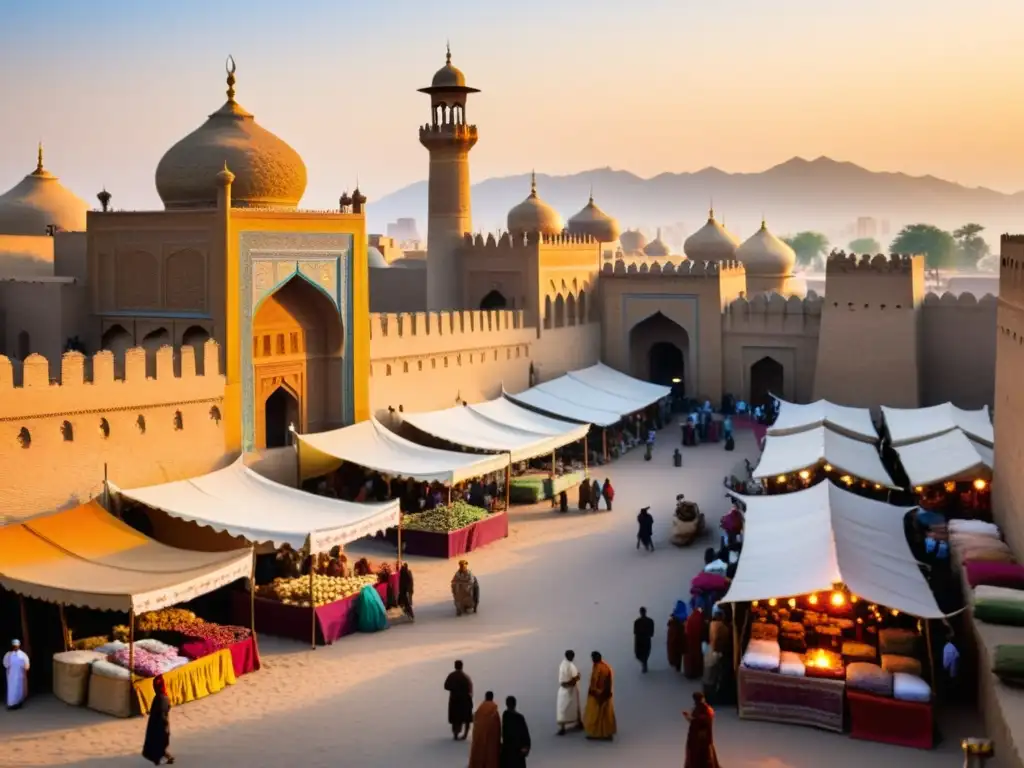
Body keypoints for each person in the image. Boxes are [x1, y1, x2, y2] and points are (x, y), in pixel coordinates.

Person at [583, 651, 617, 741]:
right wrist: (607, 693)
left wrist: (594, 692)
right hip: (606, 694)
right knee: (606, 715)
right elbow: (609, 681)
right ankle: (607, 733)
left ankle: (595, 734)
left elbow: (594, 682)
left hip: (596, 695)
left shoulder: (597, 668)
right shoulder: (607, 667)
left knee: (595, 715)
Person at [683, 691, 721, 768]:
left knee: (703, 757)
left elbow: (703, 720)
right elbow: (696, 720)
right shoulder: (698, 708)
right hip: (696, 738)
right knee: (697, 756)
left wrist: (692, 719)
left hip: (702, 739)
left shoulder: (706, 709)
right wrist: (690, 718)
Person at [141, 674, 173, 765]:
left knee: (158, 742)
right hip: (160, 725)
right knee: (160, 742)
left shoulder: (158, 697)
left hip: (157, 724)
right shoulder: (162, 697)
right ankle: (162, 758)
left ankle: (162, 757)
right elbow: (165, 711)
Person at [469, 691, 501, 768]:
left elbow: (475, 719)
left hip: (479, 735)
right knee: (489, 754)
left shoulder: (480, 708)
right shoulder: (493, 710)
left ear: (485, 697)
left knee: (479, 752)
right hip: (490, 737)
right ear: (492, 698)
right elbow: (497, 726)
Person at [444, 660, 474, 740]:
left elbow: (446, 686)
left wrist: (454, 689)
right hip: (465, 700)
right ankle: (465, 734)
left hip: (454, 700)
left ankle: (455, 734)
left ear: (455, 666)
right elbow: (470, 689)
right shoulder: (466, 677)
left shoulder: (451, 676)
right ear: (462, 666)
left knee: (455, 717)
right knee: (466, 718)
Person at [556, 650, 582, 735]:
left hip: (569, 690)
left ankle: (577, 723)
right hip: (567, 690)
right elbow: (565, 682)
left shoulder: (565, 664)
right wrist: (577, 678)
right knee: (565, 708)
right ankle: (563, 728)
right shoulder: (567, 666)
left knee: (569, 707)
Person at [501, 695, 532, 768]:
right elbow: (525, 733)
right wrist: (526, 746)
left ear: (506, 704)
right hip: (518, 751)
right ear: (515, 704)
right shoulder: (519, 717)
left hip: (508, 751)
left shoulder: (505, 716)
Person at [3, 639, 29, 710]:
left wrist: (25, 669)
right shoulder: (8, 654)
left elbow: (26, 664)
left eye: (16, 646)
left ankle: (19, 703)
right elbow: (5, 664)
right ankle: (11, 704)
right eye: (14, 646)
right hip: (11, 675)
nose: (15, 647)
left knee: (19, 689)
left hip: (20, 675)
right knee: (11, 690)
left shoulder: (22, 654)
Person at [684, 607, 705, 679]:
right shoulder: (700, 619)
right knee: (697, 657)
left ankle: (690, 672)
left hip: (690, 641)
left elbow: (686, 630)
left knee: (690, 657)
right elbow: (702, 630)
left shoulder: (690, 618)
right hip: (697, 642)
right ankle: (696, 672)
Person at [633, 607, 655, 673]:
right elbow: (652, 633)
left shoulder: (637, 621)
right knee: (645, 654)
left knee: (640, 655)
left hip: (639, 640)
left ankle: (644, 664)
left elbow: (635, 632)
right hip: (646, 640)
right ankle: (644, 664)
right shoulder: (650, 621)